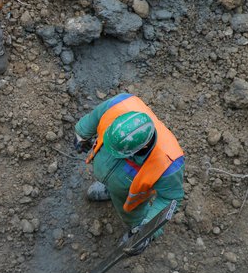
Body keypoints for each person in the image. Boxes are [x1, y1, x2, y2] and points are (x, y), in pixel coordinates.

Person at [74, 93, 184, 254]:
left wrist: (147, 229)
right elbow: (97, 115)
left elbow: (169, 198)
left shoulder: (169, 163)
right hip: (110, 173)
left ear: (137, 151)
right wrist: (81, 133)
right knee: (112, 182)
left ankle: (135, 230)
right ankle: (109, 188)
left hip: (131, 193)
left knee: (132, 214)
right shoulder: (122, 104)